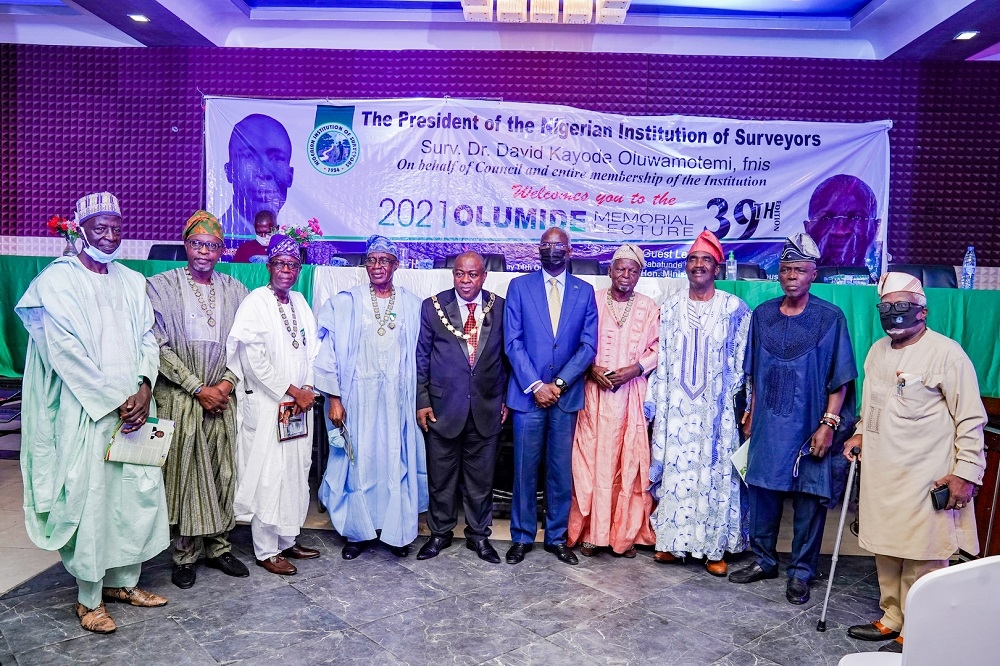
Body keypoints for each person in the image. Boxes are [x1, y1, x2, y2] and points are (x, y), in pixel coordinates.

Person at [16, 192, 168, 634]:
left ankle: (125, 582)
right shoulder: (58, 281)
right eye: (100, 227)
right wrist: (114, 400)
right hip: (88, 412)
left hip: (136, 411)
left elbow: (147, 339)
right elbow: (65, 353)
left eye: (116, 227)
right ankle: (88, 600)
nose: (110, 235)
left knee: (134, 496)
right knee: (92, 502)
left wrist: (143, 387)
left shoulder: (131, 280)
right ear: (80, 230)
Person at [844, 273, 987, 654]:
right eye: (886, 307)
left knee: (924, 556)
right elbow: (870, 408)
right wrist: (859, 433)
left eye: (902, 306)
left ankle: (921, 630)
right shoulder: (877, 351)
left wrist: (965, 473)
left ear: (923, 310)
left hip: (927, 475)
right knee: (887, 550)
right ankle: (892, 618)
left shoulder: (947, 353)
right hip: (883, 472)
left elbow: (971, 418)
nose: (894, 314)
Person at [729, 232, 858, 605]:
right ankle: (764, 560)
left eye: (799, 270)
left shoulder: (830, 317)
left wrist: (829, 424)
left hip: (810, 424)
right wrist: (750, 409)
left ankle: (801, 572)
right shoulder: (763, 315)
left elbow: (842, 377)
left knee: (808, 500)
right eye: (785, 270)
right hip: (770, 422)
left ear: (812, 274)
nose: (791, 276)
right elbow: (752, 371)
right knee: (764, 493)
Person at [146, 211, 250, 589]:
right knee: (185, 473)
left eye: (213, 245)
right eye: (197, 244)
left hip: (222, 397)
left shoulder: (236, 290)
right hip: (181, 396)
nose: (205, 251)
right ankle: (185, 553)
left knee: (223, 470)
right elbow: (156, 345)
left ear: (222, 250)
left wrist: (224, 384)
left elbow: (245, 346)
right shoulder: (159, 286)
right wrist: (196, 387)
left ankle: (219, 547)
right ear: (186, 245)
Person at [316, 235, 427, 559]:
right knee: (359, 462)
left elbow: (422, 357)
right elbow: (329, 355)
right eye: (372, 260)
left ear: (396, 265)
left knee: (396, 461)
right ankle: (358, 533)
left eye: (384, 260)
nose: (377, 266)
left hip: (397, 400)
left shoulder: (411, 304)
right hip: (357, 400)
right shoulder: (345, 303)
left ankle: (397, 533)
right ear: (365, 265)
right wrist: (335, 399)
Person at [647, 230, 751, 575]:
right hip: (677, 407)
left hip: (715, 409)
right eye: (692, 259)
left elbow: (743, 361)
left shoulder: (734, 309)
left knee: (714, 474)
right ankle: (672, 544)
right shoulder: (672, 307)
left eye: (706, 260)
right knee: (678, 471)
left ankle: (713, 549)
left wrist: (741, 403)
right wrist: (657, 402)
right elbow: (662, 357)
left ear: (717, 268)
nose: (698, 265)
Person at [504, 227, 599, 566]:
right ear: (538, 250)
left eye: (558, 246)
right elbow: (512, 342)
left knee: (560, 471)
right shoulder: (519, 287)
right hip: (528, 396)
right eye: (546, 245)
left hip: (565, 396)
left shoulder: (585, 291)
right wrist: (536, 385)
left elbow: (588, 346)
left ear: (569, 251)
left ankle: (556, 537)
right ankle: (521, 537)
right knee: (524, 470)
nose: (552, 250)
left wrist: (558, 385)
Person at [226, 234, 320, 576]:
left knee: (295, 470)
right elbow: (253, 361)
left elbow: (312, 353)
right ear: (269, 267)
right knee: (268, 474)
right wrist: (294, 390)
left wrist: (306, 388)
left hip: (297, 407)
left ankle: (287, 538)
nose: (286, 270)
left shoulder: (300, 302)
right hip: (268, 405)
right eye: (280, 264)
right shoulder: (255, 303)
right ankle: (266, 550)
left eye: (293, 265)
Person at [415, 252, 508, 563]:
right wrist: (423, 401)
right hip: (443, 408)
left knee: (480, 480)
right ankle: (439, 533)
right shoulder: (433, 306)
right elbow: (421, 358)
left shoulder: (501, 307)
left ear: (483, 277)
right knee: (441, 478)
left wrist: (505, 398)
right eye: (459, 274)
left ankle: (479, 537)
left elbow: (507, 359)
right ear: (452, 275)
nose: (465, 281)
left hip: (486, 406)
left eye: (472, 275)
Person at [567, 243, 657, 559]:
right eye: (620, 268)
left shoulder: (649, 307)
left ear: (640, 275)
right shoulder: (591, 301)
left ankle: (623, 535)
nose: (626, 275)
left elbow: (660, 348)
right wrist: (591, 368)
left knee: (629, 462)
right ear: (610, 271)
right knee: (590, 463)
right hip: (594, 397)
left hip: (631, 396)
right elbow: (575, 342)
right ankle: (592, 533)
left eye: (633, 270)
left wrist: (635, 368)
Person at [221, 114, 294, 238]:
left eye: (276, 158)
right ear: (229, 171)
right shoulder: (218, 235)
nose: (263, 172)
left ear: (290, 176)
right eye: (249, 156)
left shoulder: (293, 239)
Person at [803, 174, 879, 268]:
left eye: (856, 218)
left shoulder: (889, 281)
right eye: (826, 218)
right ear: (808, 229)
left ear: (875, 228)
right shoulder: (787, 279)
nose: (840, 231)